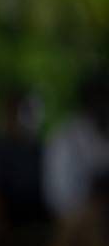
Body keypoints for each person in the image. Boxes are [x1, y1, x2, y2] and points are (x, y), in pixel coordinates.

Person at [45, 72, 109, 216]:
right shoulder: (65, 135)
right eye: (98, 97)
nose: (103, 104)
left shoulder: (103, 132)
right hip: (76, 215)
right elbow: (58, 193)